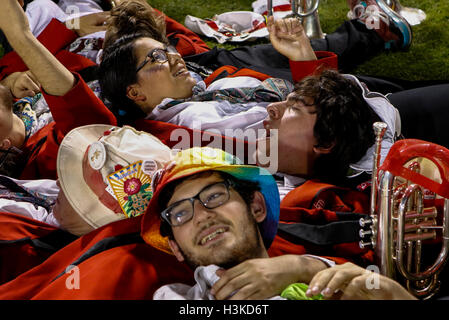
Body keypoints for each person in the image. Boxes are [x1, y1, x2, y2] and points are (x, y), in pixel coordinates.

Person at [140, 146, 415, 300]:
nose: (201, 215)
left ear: (256, 206)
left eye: (214, 195)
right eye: (180, 213)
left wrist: (393, 295)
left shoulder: (340, 280)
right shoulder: (173, 299)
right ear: (175, 248)